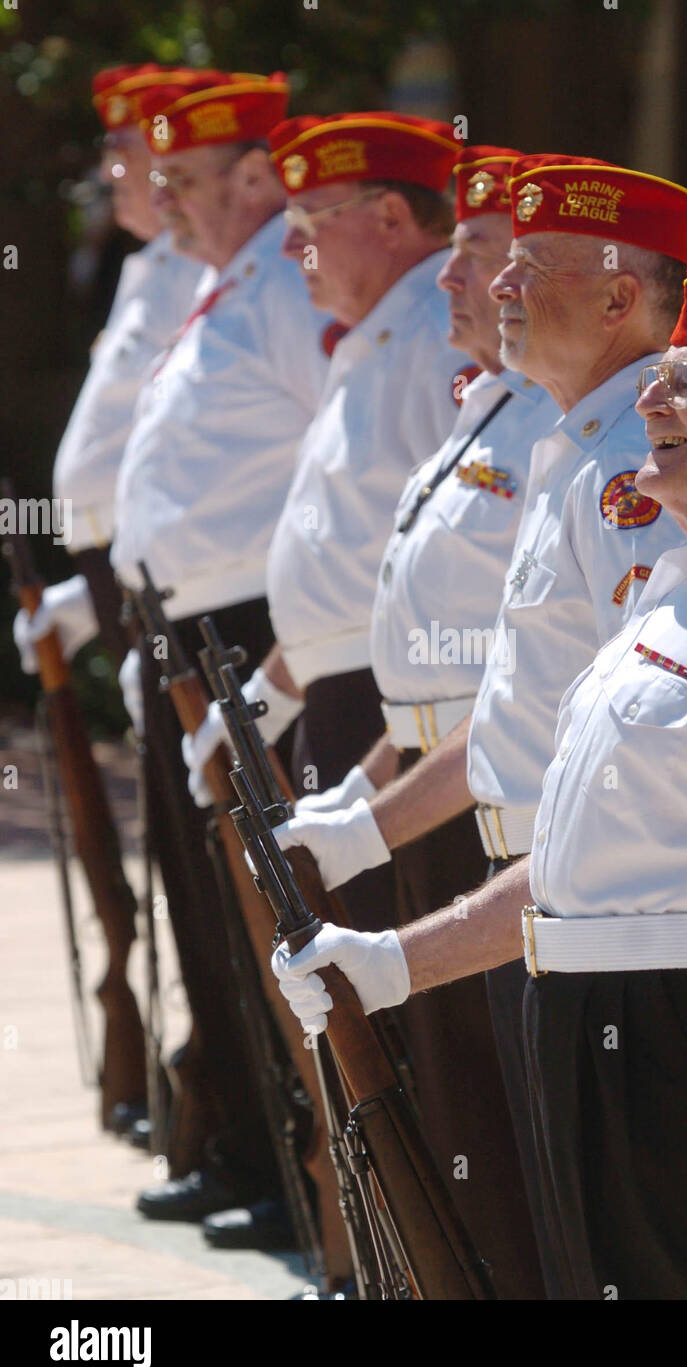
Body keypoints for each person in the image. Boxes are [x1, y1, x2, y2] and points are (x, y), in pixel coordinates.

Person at [273, 258, 687, 1299]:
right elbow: (578, 861)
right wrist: (393, 960)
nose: (653, 402)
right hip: (609, 1020)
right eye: (660, 375)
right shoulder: (684, 590)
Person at [267, 155, 687, 1288]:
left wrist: (400, 948)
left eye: (530, 264)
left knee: (620, 1254)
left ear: (620, 299)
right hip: (535, 891)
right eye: (500, 257)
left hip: (607, 922)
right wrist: (364, 825)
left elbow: (623, 762)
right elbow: (521, 712)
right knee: (556, 1237)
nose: (495, 284)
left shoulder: (633, 469)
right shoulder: (576, 447)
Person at [109, 70, 334, 1244]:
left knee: (258, 911)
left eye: (186, 180)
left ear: (256, 176)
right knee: (204, 912)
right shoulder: (220, 285)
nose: (166, 201)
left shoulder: (285, 291)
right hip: (185, 632)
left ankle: (301, 1169)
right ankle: (244, 1145)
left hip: (250, 633)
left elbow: (328, 473)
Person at [182, 111, 476, 943]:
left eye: (309, 225)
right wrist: (272, 688)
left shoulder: (435, 344)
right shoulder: (378, 339)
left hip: (393, 708)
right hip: (346, 698)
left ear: (388, 219)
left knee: (409, 1002)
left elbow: (457, 568)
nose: (286, 247)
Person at [13, 65, 202, 716]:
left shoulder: (199, 272)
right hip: (121, 566)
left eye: (122, 153)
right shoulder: (149, 266)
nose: (109, 174)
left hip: (162, 567)